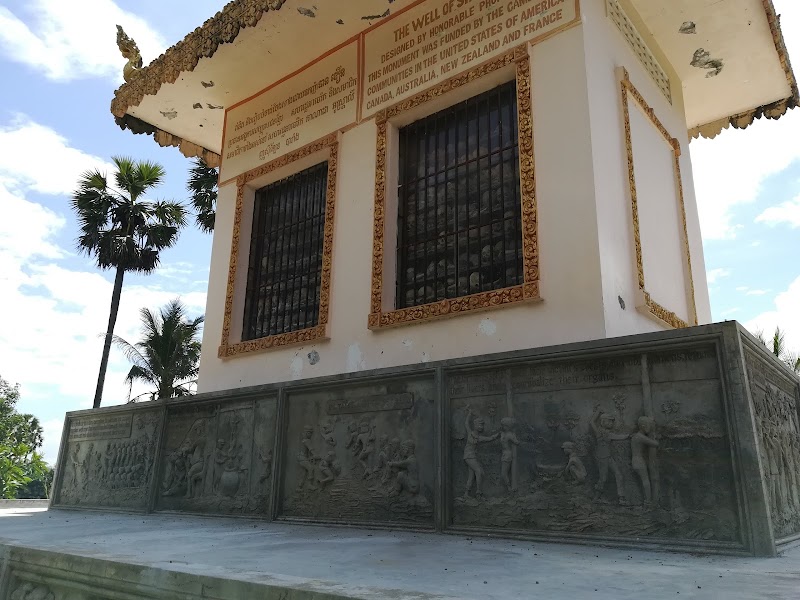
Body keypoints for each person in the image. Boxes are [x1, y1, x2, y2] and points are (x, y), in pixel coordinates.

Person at [591, 405, 628, 505]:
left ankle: (621, 498)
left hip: (608, 457)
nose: (611, 423)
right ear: (603, 422)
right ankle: (596, 498)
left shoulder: (605, 432)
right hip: (602, 457)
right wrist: (598, 411)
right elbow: (592, 422)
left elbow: (618, 436)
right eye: (609, 421)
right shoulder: (600, 432)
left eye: (612, 421)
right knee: (603, 478)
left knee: (618, 474)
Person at [463, 408, 498, 499]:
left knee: (471, 475)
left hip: (472, 456)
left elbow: (490, 438)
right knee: (479, 471)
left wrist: (497, 435)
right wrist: (469, 413)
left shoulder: (479, 437)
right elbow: (466, 423)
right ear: (475, 425)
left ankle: (466, 493)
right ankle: (479, 493)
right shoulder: (470, 433)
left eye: (482, 425)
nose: (481, 427)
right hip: (468, 456)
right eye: (479, 425)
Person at [630, 416, 659, 506]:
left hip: (636, 461)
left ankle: (647, 501)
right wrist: (653, 434)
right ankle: (648, 502)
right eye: (648, 426)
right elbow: (655, 444)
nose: (649, 428)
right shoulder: (640, 437)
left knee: (644, 481)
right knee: (645, 481)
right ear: (642, 426)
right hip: (638, 461)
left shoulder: (636, 436)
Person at [499, 417, 520, 493]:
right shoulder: (503, 433)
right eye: (502, 425)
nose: (502, 427)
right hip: (504, 454)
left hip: (507, 455)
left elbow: (517, 442)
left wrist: (514, 437)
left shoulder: (510, 435)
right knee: (503, 473)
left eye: (504, 425)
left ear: (508, 426)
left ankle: (509, 488)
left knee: (503, 473)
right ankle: (509, 488)